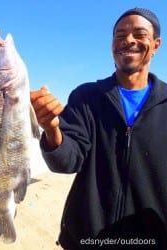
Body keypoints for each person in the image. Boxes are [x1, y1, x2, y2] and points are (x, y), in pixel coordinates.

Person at [30, 7, 167, 249]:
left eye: (139, 33)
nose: (128, 40)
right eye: (120, 35)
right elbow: (66, 162)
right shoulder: (87, 97)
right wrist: (52, 129)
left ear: (156, 44)